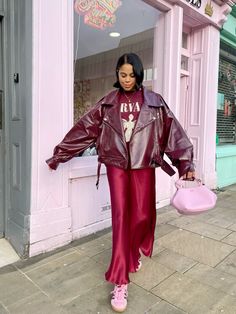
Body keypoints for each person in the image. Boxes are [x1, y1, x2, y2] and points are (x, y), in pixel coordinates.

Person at [46, 53, 195, 312]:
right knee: (122, 219)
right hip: (116, 167)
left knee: (142, 217)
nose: (127, 80)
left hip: (143, 167)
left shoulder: (154, 102)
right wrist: (60, 154)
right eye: (122, 75)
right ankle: (120, 278)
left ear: (139, 74)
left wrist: (186, 164)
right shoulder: (107, 103)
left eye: (131, 75)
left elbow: (174, 133)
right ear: (117, 74)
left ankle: (133, 250)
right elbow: (84, 129)